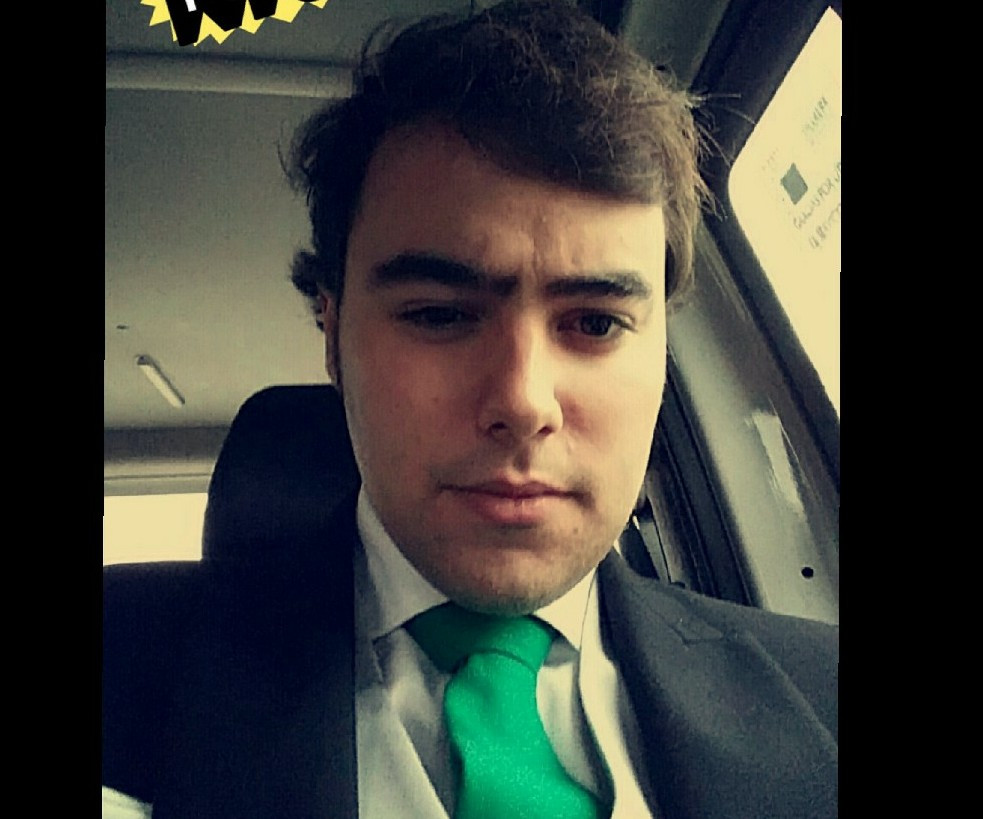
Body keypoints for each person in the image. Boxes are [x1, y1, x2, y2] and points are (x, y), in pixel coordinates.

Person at [102, 2, 838, 817]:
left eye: (595, 323)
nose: (522, 401)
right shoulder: (123, 669)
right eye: (439, 314)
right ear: (333, 335)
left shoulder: (823, 694)